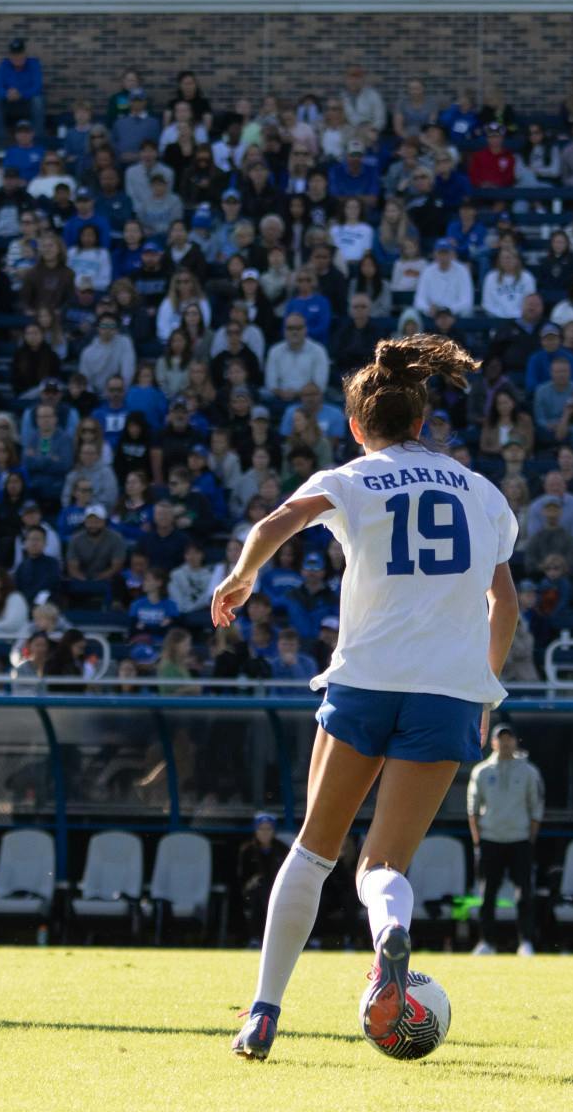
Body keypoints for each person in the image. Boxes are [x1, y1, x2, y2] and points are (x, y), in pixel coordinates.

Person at [221, 336, 519, 1061]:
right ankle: (389, 927)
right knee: (382, 867)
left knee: (313, 851)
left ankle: (263, 1013)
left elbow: (272, 525)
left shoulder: (353, 478)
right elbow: (504, 604)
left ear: (359, 428)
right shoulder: (481, 492)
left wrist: (241, 578)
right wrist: (484, 687)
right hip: (446, 693)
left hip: (364, 680)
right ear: (423, 422)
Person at [466, 722, 543, 957]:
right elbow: (473, 809)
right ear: (493, 742)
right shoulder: (481, 771)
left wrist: (529, 838)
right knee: (487, 895)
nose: (505, 742)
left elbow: (536, 807)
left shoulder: (528, 772)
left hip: (519, 840)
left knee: (524, 895)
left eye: (509, 738)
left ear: (515, 741)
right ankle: (486, 942)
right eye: (501, 738)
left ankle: (526, 942)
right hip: (491, 840)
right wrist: (478, 840)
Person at [234, 812, 289, 946]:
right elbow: (242, 877)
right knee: (259, 891)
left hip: (277, 889)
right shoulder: (247, 850)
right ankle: (255, 937)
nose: (264, 833)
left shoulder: (282, 849)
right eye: (261, 829)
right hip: (253, 890)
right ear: (256, 830)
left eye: (268, 829)